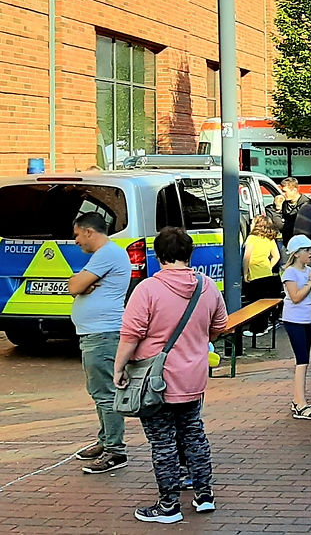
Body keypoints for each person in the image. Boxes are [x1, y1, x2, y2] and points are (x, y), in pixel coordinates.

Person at [113, 227, 228, 523]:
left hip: (155, 380)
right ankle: (204, 495)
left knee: (162, 441)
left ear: (159, 255)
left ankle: (168, 506)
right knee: (194, 433)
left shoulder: (148, 289)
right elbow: (220, 325)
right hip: (194, 376)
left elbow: (130, 335)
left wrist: (119, 368)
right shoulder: (207, 286)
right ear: (189, 254)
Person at [68, 212, 132, 475]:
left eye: (76, 235)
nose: (76, 241)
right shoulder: (103, 256)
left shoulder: (107, 253)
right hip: (95, 333)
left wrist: (83, 283)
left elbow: (73, 286)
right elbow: (76, 284)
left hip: (103, 333)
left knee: (105, 393)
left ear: (88, 231)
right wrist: (82, 283)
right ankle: (106, 439)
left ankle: (115, 450)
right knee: (99, 392)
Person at [281, 236, 311, 420]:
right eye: (307, 250)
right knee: (302, 361)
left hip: (307, 319)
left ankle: (299, 399)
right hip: (294, 320)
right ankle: (300, 402)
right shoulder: (290, 273)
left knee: (304, 361)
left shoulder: (308, 271)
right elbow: (296, 297)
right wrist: (310, 281)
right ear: (297, 253)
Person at [242, 214, 282, 335]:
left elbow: (246, 257)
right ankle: (263, 327)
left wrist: (245, 273)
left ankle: (256, 329)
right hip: (267, 273)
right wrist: (268, 266)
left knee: (254, 303)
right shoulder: (269, 238)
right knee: (264, 303)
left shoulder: (252, 238)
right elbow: (277, 256)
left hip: (254, 274)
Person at [264, 177, 311, 246]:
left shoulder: (306, 205)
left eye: (284, 191)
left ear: (294, 190)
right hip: (287, 244)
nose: (282, 194)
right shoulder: (284, 203)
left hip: (302, 245)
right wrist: (277, 208)